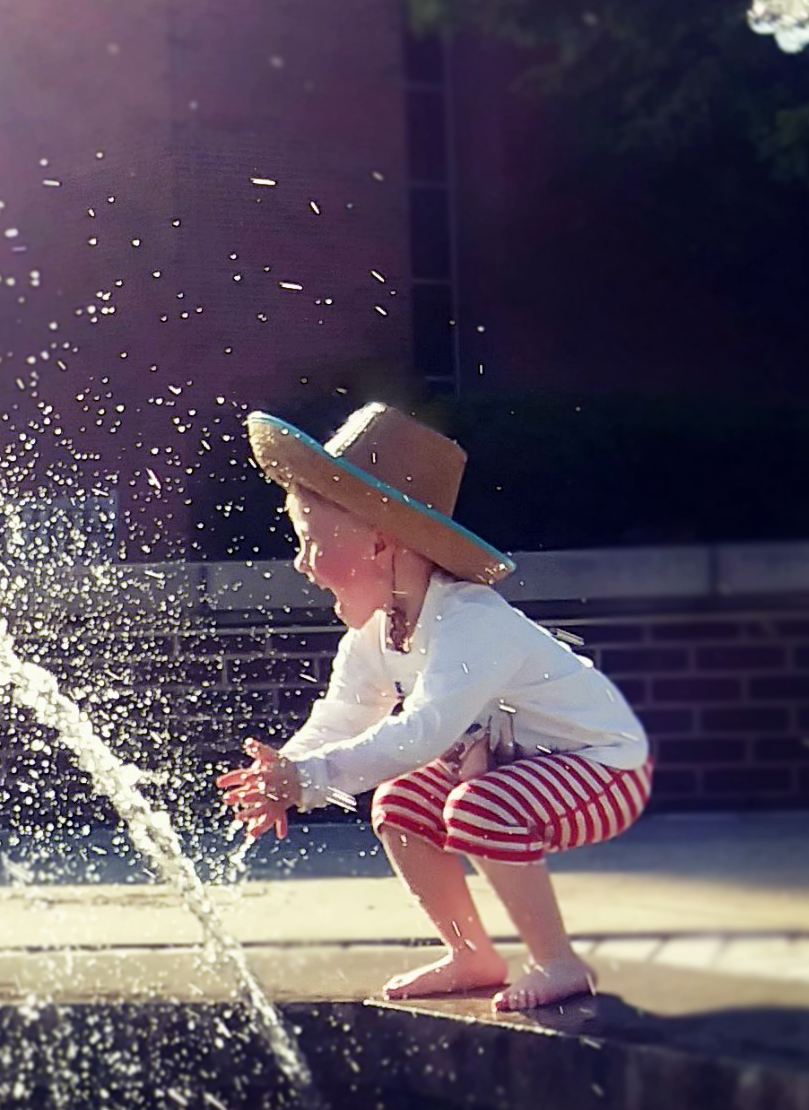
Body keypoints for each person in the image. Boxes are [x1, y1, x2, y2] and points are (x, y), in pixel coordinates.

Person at [217, 403, 652, 1012]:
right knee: (399, 803)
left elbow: (423, 732)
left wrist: (310, 780)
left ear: (379, 543)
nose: (301, 563)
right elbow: (344, 716)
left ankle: (558, 961)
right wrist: (285, 773)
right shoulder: (378, 634)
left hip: (605, 768)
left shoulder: (470, 622)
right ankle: (471, 952)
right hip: (511, 767)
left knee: (480, 808)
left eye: (311, 542)